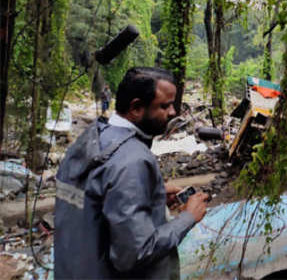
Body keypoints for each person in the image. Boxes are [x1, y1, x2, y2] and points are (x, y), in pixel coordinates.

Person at [55, 67, 209, 279]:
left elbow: (97, 205)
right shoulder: (133, 160)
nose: (173, 112)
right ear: (136, 108)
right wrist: (187, 218)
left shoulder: (91, 139)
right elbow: (135, 253)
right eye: (164, 106)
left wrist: (149, 195)